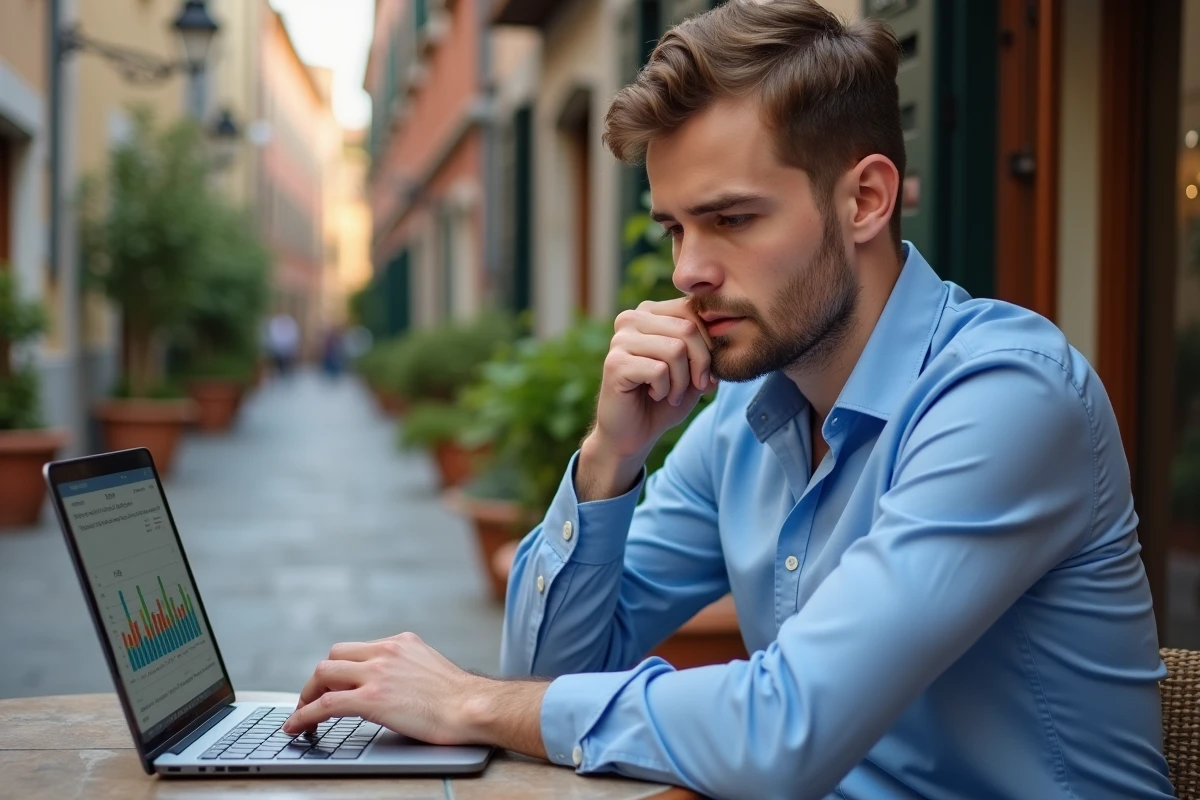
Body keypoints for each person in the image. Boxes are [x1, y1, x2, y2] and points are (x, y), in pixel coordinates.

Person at [282, 2, 1174, 798]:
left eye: (732, 220)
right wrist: (609, 456)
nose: (687, 272)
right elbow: (548, 674)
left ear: (866, 199)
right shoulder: (744, 424)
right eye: (676, 228)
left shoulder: (1005, 398)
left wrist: (467, 702)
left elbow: (783, 733)